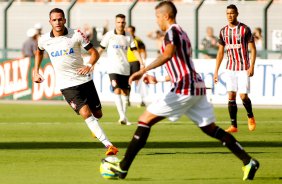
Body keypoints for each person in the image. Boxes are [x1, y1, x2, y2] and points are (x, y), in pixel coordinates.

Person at [104, 1, 259, 181]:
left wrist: (143, 70)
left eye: (157, 17)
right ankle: (248, 161)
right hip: (196, 86)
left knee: (144, 120)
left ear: (166, 16)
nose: (157, 21)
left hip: (185, 88)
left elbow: (167, 55)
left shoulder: (172, 32)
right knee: (211, 129)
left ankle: (123, 168)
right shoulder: (182, 33)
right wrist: (159, 78)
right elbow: (180, 65)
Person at [33, 8, 118, 156]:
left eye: (60, 19)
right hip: (66, 85)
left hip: (84, 80)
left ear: (64, 20)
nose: (57, 22)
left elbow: (94, 53)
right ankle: (109, 145)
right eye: (54, 20)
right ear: (50, 22)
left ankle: (95, 129)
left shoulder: (76, 34)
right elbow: (39, 51)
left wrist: (89, 65)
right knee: (85, 113)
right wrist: (36, 71)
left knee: (97, 114)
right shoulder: (44, 39)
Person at [214, 4, 257, 133]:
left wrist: (252, 66)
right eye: (227, 13)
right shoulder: (223, 31)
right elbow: (220, 52)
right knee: (231, 95)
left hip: (243, 67)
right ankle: (234, 126)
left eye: (232, 13)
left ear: (237, 14)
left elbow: (253, 49)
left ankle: (250, 116)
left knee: (243, 96)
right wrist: (216, 71)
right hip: (230, 68)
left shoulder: (245, 29)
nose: (230, 16)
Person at [98, 14, 144, 125]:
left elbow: (134, 50)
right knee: (117, 90)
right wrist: (92, 62)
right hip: (113, 68)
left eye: (122, 22)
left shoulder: (128, 36)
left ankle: (124, 117)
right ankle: (122, 116)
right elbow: (101, 49)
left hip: (125, 68)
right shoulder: (109, 35)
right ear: (115, 23)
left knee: (125, 93)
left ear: (125, 23)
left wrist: (142, 62)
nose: (120, 24)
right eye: (118, 22)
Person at [126, 25, 147, 107]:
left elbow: (143, 50)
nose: (128, 32)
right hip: (126, 62)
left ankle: (142, 100)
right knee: (128, 81)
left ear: (133, 31)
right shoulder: (124, 39)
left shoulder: (137, 40)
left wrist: (143, 61)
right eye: (127, 31)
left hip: (135, 62)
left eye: (130, 31)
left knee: (138, 81)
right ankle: (127, 99)